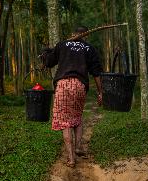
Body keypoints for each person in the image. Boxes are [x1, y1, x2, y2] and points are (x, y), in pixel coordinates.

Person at [42, 26, 103, 167]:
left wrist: (47, 52)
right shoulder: (89, 48)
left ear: (73, 34)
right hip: (80, 86)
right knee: (77, 117)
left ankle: (71, 158)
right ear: (85, 36)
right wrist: (100, 92)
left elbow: (49, 62)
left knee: (65, 122)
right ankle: (78, 147)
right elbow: (96, 72)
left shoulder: (62, 44)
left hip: (63, 85)